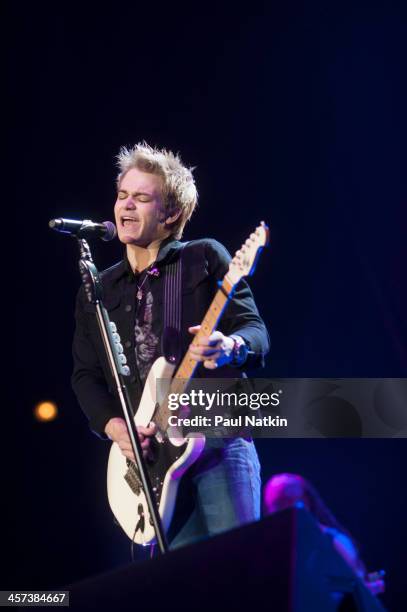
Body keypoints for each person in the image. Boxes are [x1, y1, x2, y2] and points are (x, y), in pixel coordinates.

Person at [71, 142, 270, 549]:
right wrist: (116, 428)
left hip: (216, 436)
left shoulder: (202, 257)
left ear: (171, 214)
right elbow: (86, 375)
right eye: (122, 195)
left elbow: (255, 330)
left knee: (239, 573)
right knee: (183, 587)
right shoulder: (99, 289)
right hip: (152, 462)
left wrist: (230, 345)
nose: (126, 206)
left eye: (141, 198)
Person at [263, 473, 385, 596]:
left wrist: (362, 587)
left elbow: (356, 582)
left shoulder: (333, 541)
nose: (281, 512)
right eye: (276, 505)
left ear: (305, 501)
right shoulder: (272, 547)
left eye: (287, 501)